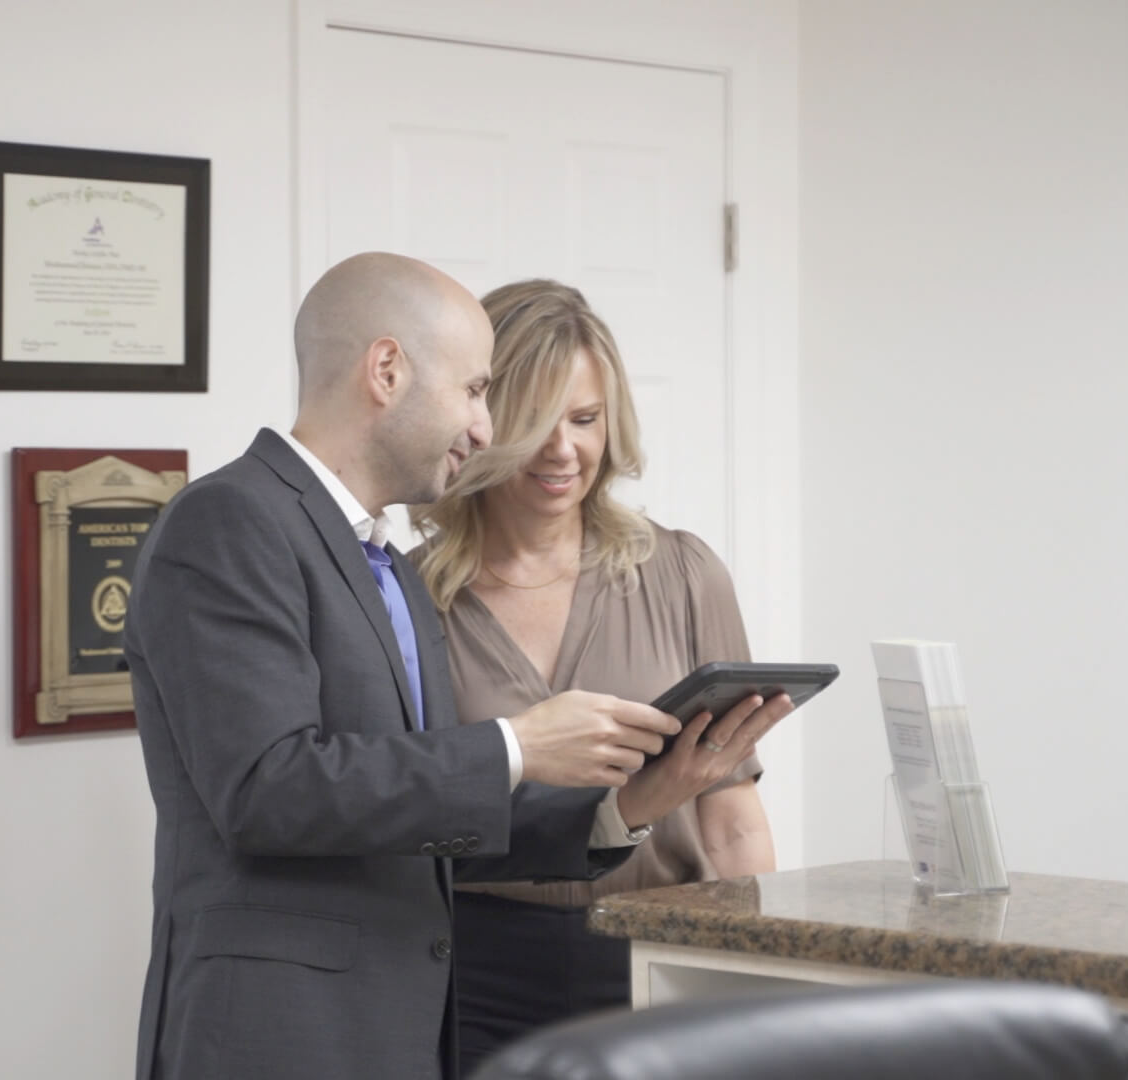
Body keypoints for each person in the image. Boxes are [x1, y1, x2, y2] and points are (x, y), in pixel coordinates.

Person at [123, 253, 779, 1080]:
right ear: (387, 371)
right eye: (476, 392)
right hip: (283, 1035)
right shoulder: (228, 520)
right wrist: (516, 745)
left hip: (403, 1029)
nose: (482, 428)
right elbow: (265, 788)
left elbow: (428, 826)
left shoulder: (385, 567)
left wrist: (622, 808)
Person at [413, 279, 786, 1073]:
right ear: (481, 424)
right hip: (474, 970)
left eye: (585, 419)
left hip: (662, 953)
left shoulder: (682, 574)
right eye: (536, 421)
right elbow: (402, 807)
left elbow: (732, 812)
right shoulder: (411, 599)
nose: (563, 450)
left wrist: (766, 971)